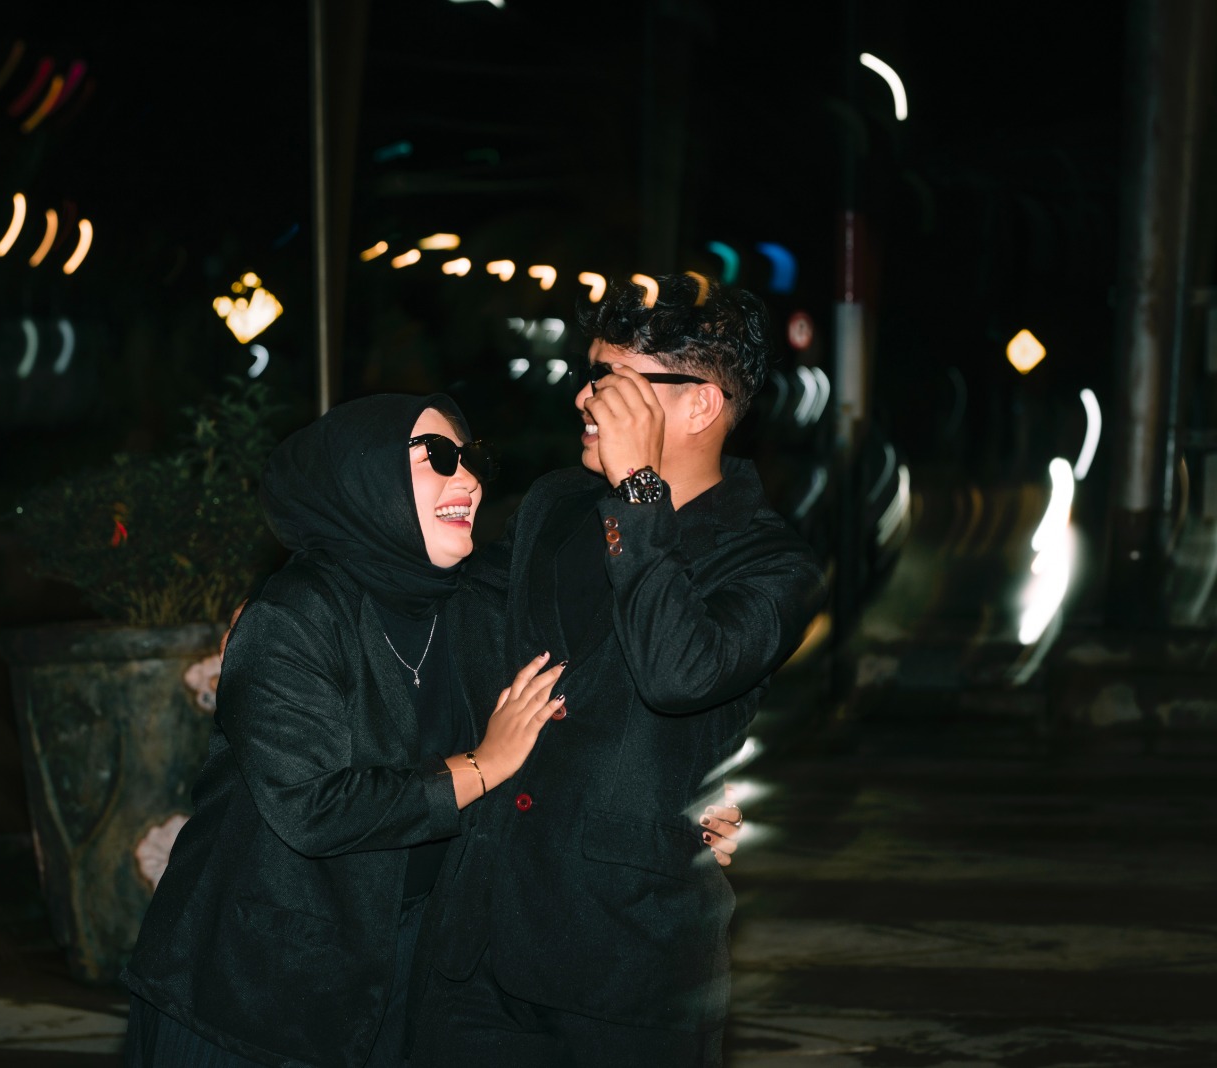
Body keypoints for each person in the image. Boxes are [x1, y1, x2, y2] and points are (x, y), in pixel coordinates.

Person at [408, 277, 827, 1066]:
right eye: (589, 373)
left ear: (699, 405)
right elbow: (451, 607)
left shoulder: (773, 565)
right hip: (477, 950)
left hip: (628, 969)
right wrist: (301, 605)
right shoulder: (556, 504)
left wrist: (641, 493)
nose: (584, 397)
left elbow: (678, 674)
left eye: (610, 380)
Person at [120, 393, 569, 1068]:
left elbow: (585, 631)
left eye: (472, 458)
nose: (469, 479)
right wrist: (481, 765)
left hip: (401, 973)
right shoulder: (292, 617)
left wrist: (689, 803)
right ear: (365, 477)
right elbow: (313, 806)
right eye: (438, 457)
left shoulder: (470, 607)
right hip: (251, 988)